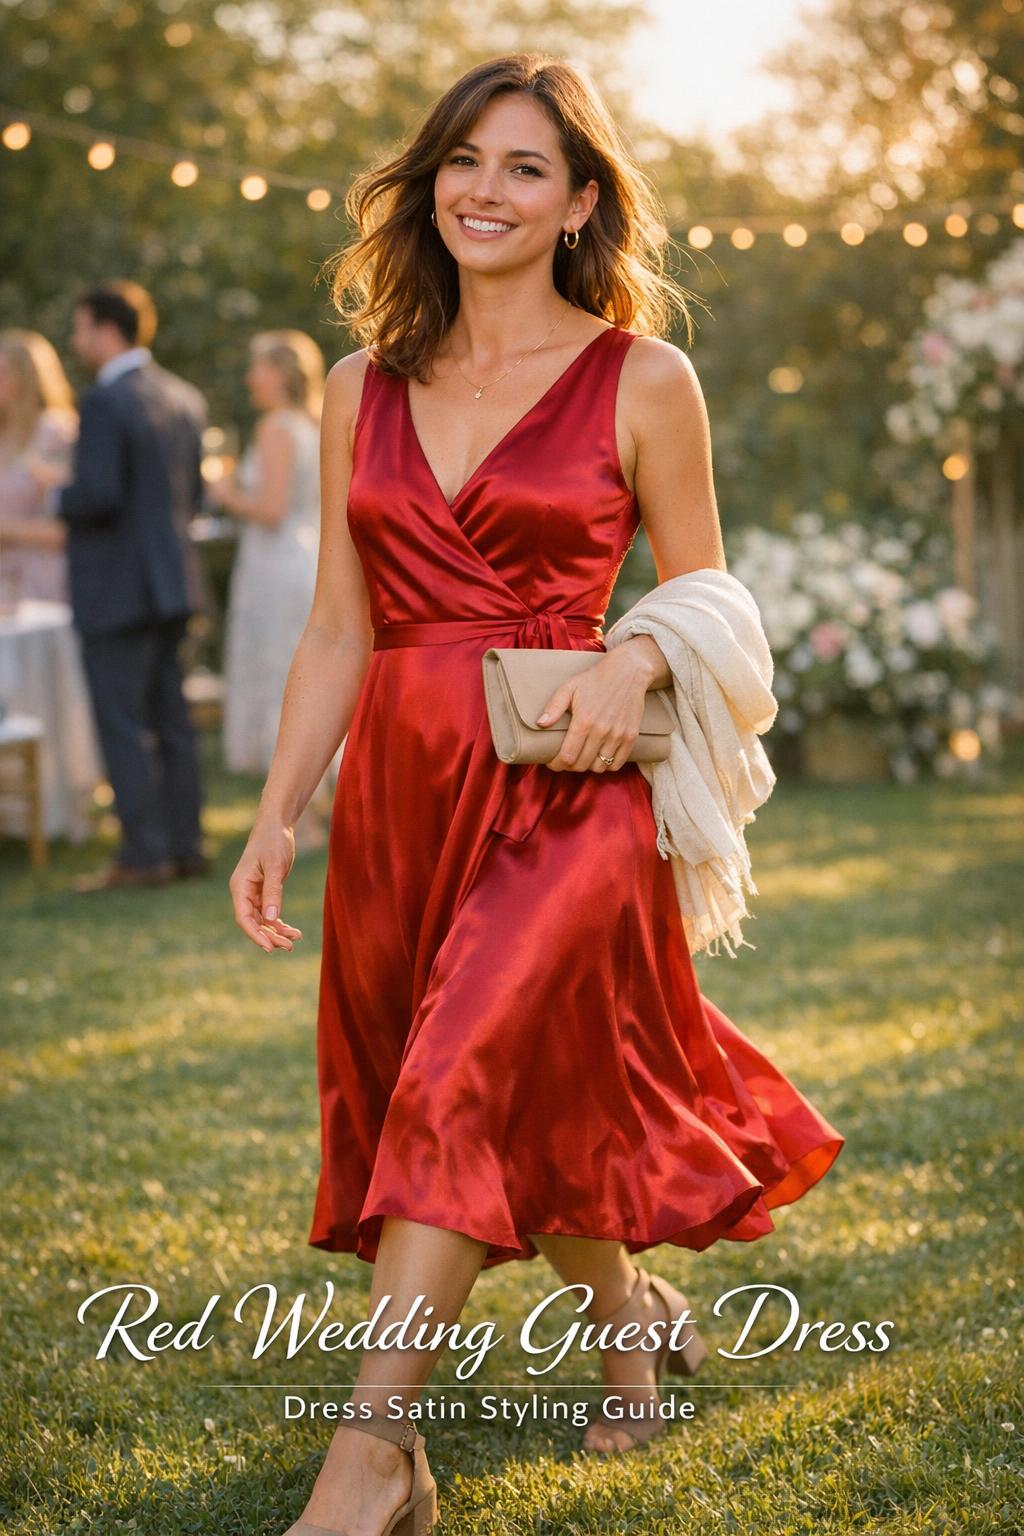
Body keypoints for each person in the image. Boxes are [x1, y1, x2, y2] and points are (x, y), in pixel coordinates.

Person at [229, 54, 844, 1536]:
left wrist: (636, 659)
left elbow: (708, 593)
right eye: (462, 160)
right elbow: (337, 625)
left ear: (578, 205)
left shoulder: (644, 376)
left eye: (523, 169)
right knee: (511, 1089)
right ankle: (628, 1319)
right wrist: (278, 810)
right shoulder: (355, 385)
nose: (483, 190)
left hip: (567, 782)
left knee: (465, 1078)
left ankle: (376, 1456)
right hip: (401, 792)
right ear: (428, 180)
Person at [58, 280, 209, 891]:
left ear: (104, 328)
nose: (75, 340)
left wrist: (53, 491)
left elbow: (96, 495)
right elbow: (193, 496)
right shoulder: (183, 396)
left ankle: (144, 856)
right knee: (170, 718)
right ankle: (185, 845)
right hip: (174, 584)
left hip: (118, 588)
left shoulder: (105, 401)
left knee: (122, 721)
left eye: (79, 327)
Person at [210, 329, 337, 851]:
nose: (249, 378)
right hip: (305, 561)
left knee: (281, 682)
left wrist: (223, 492)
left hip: (276, 569)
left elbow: (270, 509)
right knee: (308, 681)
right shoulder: (315, 421)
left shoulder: (276, 428)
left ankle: (297, 820)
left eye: (258, 368)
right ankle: (317, 809)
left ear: (281, 374)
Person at [0, 329, 78, 604]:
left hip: (40, 587)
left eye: (4, 372)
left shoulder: (56, 434)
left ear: (28, 377)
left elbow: (67, 528)